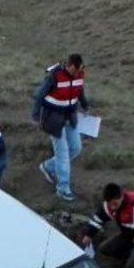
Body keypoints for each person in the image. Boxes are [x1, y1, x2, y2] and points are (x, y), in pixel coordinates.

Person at [32, 53, 88, 202]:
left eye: (79, 71)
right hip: (53, 119)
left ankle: (48, 167)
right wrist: (36, 116)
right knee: (62, 153)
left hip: (70, 117)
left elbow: (79, 90)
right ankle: (63, 189)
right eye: (74, 70)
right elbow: (40, 96)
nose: (77, 74)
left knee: (76, 148)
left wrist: (85, 104)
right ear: (68, 65)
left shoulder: (79, 75)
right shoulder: (54, 76)